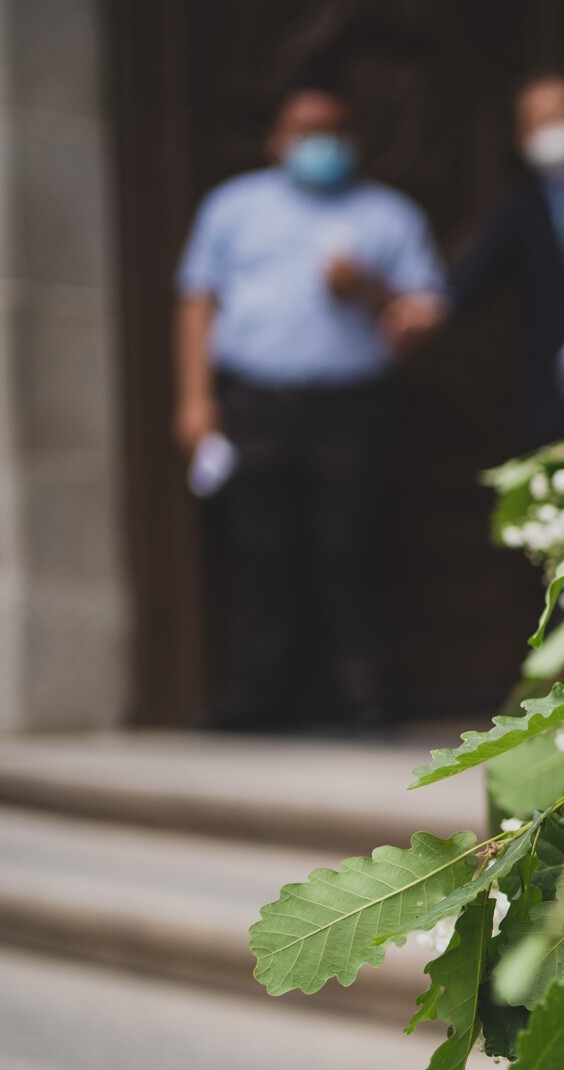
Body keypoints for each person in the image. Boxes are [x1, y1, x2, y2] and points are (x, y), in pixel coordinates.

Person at [173, 83, 445, 732]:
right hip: (255, 401)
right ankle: (253, 698)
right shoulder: (232, 207)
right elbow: (197, 302)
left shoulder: (391, 216)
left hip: (350, 405)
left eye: (331, 130)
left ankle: (367, 698)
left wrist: (371, 290)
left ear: (356, 140)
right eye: (303, 130)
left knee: (350, 548)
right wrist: (194, 399)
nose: (317, 143)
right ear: (276, 139)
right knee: (259, 551)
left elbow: (423, 315)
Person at [413, 75, 564, 457]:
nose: (554, 128)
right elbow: (474, 273)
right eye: (539, 121)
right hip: (558, 383)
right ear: (521, 137)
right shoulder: (521, 211)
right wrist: (430, 308)